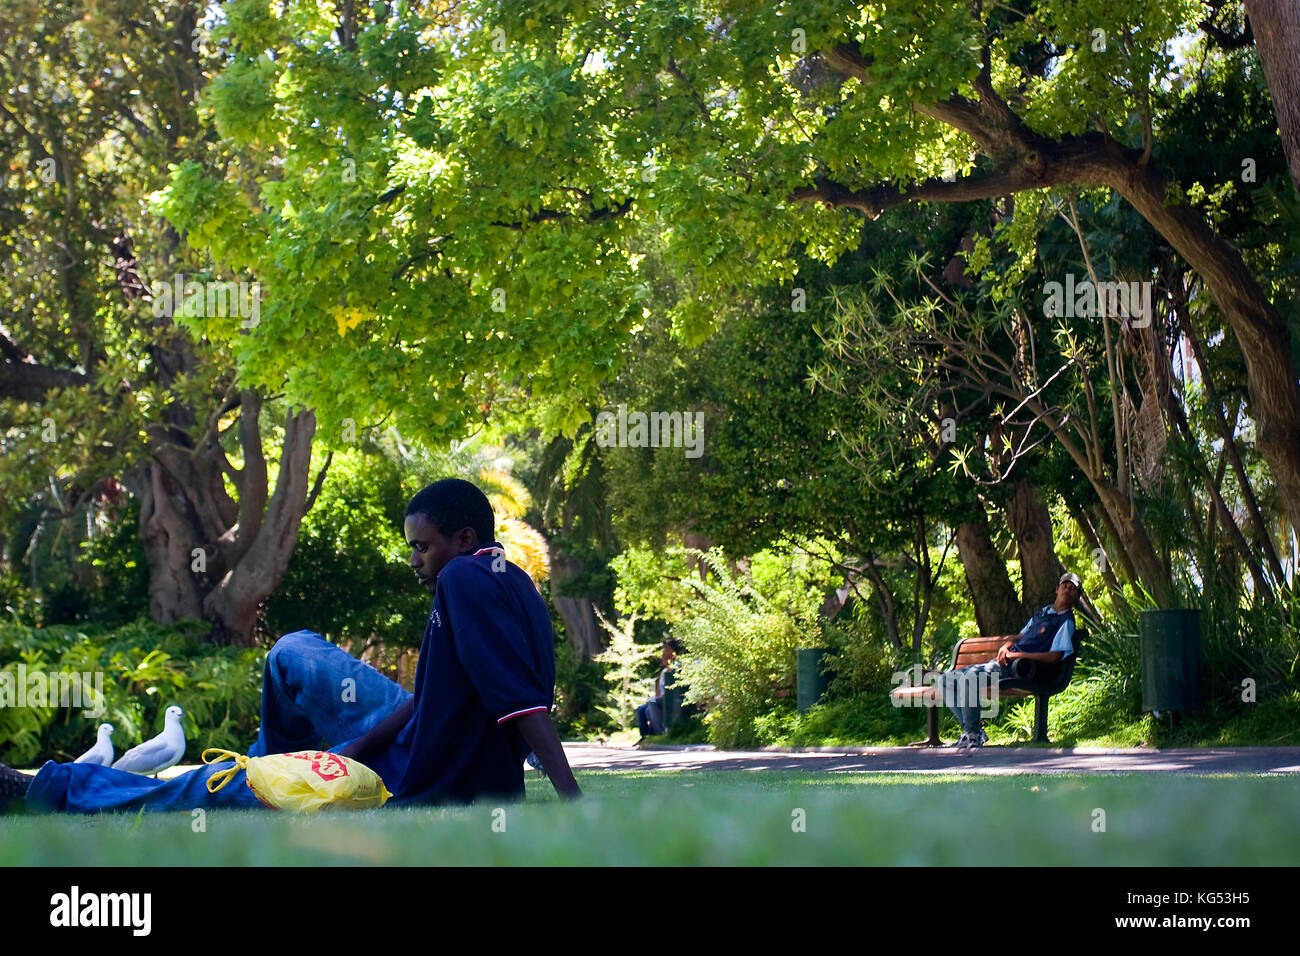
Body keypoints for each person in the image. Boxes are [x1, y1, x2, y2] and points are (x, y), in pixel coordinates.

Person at [1, 478, 580, 813]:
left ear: (464, 539)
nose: (412, 561)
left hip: (413, 778)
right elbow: (435, 697)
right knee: (293, 650)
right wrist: (358, 744)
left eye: (421, 548)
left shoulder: (463, 578)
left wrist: (573, 800)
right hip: (406, 741)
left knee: (201, 789)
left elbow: (522, 701)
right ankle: (273, 762)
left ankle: (46, 786)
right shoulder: (508, 578)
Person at [940, 571, 1082, 752]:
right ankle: (973, 731)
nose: (1067, 590)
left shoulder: (1066, 621)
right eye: (1065, 586)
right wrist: (1006, 646)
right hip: (1006, 660)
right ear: (1057, 589)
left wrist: (1018, 656)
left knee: (969, 679)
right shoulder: (1043, 612)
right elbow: (1020, 636)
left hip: (1021, 668)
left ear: (1076, 596)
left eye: (1072, 589)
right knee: (945, 680)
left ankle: (973, 733)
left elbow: (1054, 656)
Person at [635, 640, 681, 742]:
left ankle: (660, 732)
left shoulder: (677, 667)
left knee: (651, 703)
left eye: (667, 650)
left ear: (674, 652)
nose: (664, 653)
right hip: (662, 699)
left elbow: (672, 687)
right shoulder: (664, 671)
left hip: (673, 698)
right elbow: (659, 692)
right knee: (642, 709)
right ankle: (645, 736)